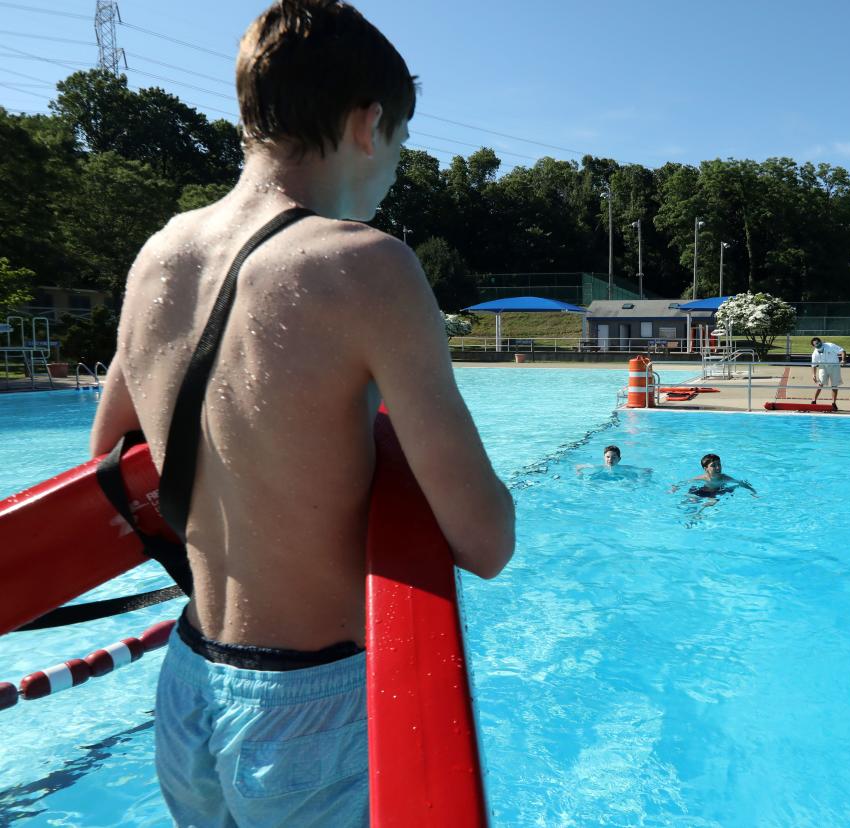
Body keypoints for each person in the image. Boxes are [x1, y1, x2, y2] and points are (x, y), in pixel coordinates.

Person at [88, 2, 514, 824]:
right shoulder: (369, 266)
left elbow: (113, 452)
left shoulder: (160, 254)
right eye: (400, 144)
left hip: (188, 683)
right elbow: (485, 540)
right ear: (369, 124)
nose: (394, 168)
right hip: (310, 706)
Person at [673, 453, 757, 499]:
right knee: (690, 498)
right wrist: (675, 487)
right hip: (704, 490)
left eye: (719, 464)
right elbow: (686, 482)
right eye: (713, 465)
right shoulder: (703, 478)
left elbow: (741, 483)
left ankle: (698, 515)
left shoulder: (724, 478)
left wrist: (753, 491)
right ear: (706, 469)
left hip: (718, 491)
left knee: (711, 502)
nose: (718, 467)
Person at [575, 445, 651, 479]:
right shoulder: (598, 467)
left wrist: (644, 477)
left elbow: (647, 470)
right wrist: (579, 472)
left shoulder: (625, 468)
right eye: (607, 457)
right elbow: (578, 466)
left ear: (619, 459)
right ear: (604, 458)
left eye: (614, 457)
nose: (610, 460)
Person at [809, 336, 845, 406]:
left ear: (821, 342)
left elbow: (842, 351)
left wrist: (843, 360)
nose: (818, 344)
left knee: (834, 385)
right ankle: (814, 400)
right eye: (816, 344)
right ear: (813, 346)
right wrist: (813, 375)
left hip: (834, 366)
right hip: (823, 367)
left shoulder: (830, 346)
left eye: (818, 342)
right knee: (820, 383)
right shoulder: (815, 354)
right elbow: (813, 365)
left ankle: (833, 403)